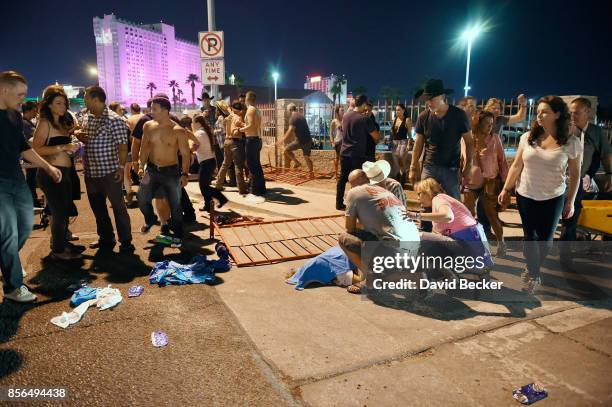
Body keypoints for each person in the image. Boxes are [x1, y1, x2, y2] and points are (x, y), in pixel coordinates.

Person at [498, 96, 581, 293]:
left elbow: (575, 175)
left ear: (557, 114)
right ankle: (533, 273)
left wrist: (570, 202)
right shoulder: (527, 138)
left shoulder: (571, 142)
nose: (539, 115)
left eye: (545, 112)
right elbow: (517, 165)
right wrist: (506, 188)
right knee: (530, 237)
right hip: (526, 193)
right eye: (538, 111)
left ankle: (533, 268)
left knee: (546, 240)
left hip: (553, 196)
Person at [1, 71, 62, 302]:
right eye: (20, 94)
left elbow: (24, 148)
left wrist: (47, 166)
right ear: (4, 90)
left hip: (16, 178)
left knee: (26, 226)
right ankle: (13, 287)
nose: (23, 100)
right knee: (8, 232)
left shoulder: (14, 117)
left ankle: (9, 263)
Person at [74, 86, 133, 252]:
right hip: (91, 172)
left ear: (95, 99)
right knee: (98, 207)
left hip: (110, 171)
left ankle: (126, 241)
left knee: (118, 207)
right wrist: (79, 134)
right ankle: (106, 238)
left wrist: (121, 168)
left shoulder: (115, 120)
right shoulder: (87, 117)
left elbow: (123, 147)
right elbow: (82, 132)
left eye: (86, 97)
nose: (84, 100)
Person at [339, 176, 420, 294]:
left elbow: (349, 227)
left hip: (393, 249)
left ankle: (369, 278)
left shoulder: (354, 192)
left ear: (352, 184)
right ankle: (411, 276)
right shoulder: (384, 191)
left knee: (344, 238)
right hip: (413, 246)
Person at [559, 97, 612, 268]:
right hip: (558, 180)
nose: (572, 115)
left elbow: (606, 155)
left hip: (578, 182)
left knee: (570, 218)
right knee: (559, 218)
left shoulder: (597, 133)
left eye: (576, 112)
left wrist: (610, 174)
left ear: (588, 112)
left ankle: (565, 255)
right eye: (571, 112)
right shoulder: (565, 130)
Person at [32, 85, 83, 260]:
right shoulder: (44, 122)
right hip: (51, 173)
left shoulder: (61, 123)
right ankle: (58, 251)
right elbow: (36, 149)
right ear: (49, 105)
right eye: (59, 103)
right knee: (59, 212)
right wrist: (63, 147)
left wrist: (72, 147)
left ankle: (62, 244)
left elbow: (63, 146)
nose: (63, 107)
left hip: (66, 172)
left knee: (64, 210)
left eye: (64, 103)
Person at [131, 94, 197, 227]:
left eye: (154, 109)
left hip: (171, 169)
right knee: (143, 198)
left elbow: (184, 140)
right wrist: (138, 164)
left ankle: (169, 227)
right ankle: (155, 220)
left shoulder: (174, 124)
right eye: (151, 108)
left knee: (172, 201)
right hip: (152, 168)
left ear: (165, 109)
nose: (151, 112)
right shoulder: (147, 124)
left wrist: (185, 173)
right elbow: (141, 145)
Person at [409, 78, 474, 201]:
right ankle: (427, 221)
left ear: (442, 96)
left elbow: (469, 143)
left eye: (432, 99)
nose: (428, 103)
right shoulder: (423, 116)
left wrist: (468, 166)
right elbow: (418, 143)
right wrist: (413, 166)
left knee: (453, 205)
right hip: (429, 167)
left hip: (451, 169)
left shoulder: (459, 115)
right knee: (426, 203)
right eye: (427, 99)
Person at [461, 110, 509, 257]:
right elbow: (461, 160)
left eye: (491, 124)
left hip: (490, 182)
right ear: (478, 123)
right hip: (470, 182)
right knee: (468, 216)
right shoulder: (468, 139)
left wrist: (506, 185)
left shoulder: (495, 139)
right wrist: (460, 180)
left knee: (492, 215)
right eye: (486, 123)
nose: (490, 127)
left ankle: (502, 243)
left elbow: (503, 162)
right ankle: (473, 246)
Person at [336, 94, 381, 210]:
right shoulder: (364, 119)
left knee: (343, 178)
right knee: (357, 181)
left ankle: (339, 203)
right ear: (364, 104)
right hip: (357, 154)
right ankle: (354, 206)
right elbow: (376, 136)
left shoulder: (345, 116)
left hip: (344, 152)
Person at [193, 114, 228, 212]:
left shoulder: (199, 133)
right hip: (210, 161)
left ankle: (222, 198)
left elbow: (194, 147)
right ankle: (207, 205)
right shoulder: (205, 131)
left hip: (206, 163)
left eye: (193, 122)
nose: (192, 124)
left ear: (197, 123)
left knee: (203, 186)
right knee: (204, 186)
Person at [215, 100, 248, 194]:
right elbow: (237, 127)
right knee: (238, 165)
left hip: (226, 142)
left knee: (225, 164)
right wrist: (245, 126)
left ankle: (218, 185)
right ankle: (242, 189)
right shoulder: (238, 117)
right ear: (239, 109)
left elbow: (226, 124)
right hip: (235, 142)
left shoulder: (227, 118)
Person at [240, 91, 266, 200]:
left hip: (251, 139)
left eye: (245, 97)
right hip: (257, 139)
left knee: (252, 166)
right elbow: (254, 125)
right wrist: (243, 125)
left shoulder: (250, 109)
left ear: (248, 98)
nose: (244, 99)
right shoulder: (257, 109)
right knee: (257, 165)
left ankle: (255, 190)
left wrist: (240, 129)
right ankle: (261, 188)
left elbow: (251, 126)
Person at [277, 103, 313, 174]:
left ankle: (297, 162)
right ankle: (311, 173)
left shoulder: (293, 118)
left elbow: (290, 130)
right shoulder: (301, 116)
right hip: (307, 140)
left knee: (285, 150)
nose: (287, 112)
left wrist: (282, 140)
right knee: (307, 157)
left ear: (290, 110)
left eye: (287, 110)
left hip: (300, 141)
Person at [21, 100, 41, 206]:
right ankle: (32, 200)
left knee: (31, 178)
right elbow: (31, 140)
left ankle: (33, 199)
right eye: (34, 110)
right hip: (30, 156)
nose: (36, 112)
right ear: (28, 110)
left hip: (31, 155)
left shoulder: (28, 122)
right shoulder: (24, 123)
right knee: (31, 179)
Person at [213, 101, 235, 187]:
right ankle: (232, 180)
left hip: (223, 142)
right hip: (223, 142)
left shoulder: (221, 118)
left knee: (227, 163)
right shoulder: (223, 117)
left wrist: (214, 131)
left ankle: (231, 181)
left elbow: (222, 130)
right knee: (228, 162)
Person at [390, 103, 413, 184]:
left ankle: (402, 179)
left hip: (403, 142)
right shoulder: (394, 119)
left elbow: (410, 134)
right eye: (396, 110)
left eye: (399, 110)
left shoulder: (407, 120)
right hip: (394, 143)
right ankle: (398, 179)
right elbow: (392, 132)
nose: (397, 111)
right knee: (396, 162)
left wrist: (409, 144)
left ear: (403, 110)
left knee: (401, 161)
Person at [329, 105, 344, 178]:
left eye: (343, 110)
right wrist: (332, 142)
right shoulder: (334, 121)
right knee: (337, 158)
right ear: (337, 112)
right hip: (337, 142)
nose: (343, 112)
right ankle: (336, 173)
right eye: (341, 110)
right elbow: (331, 133)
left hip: (344, 142)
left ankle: (342, 174)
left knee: (342, 158)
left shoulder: (345, 120)